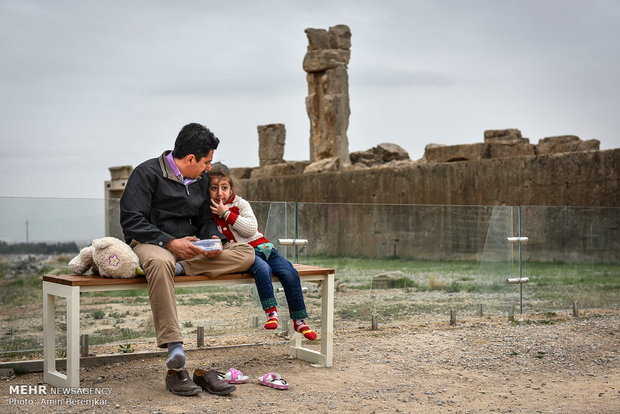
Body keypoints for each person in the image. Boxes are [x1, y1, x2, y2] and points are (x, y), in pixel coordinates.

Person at [120, 123, 255, 396]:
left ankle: (178, 268)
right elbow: (131, 221)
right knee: (159, 262)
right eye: (207, 162)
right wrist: (169, 243)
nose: (209, 168)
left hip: (191, 247)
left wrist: (213, 240)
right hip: (152, 243)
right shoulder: (145, 174)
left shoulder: (201, 179)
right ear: (190, 159)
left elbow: (205, 220)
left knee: (246, 253)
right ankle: (174, 346)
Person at [207, 162, 317, 341]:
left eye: (224, 187)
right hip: (245, 254)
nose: (220, 193)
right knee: (262, 270)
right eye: (214, 188)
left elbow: (250, 229)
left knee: (289, 272)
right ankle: (271, 312)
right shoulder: (208, 213)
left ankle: (299, 320)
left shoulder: (241, 204)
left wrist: (227, 214)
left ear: (231, 188)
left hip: (264, 247)